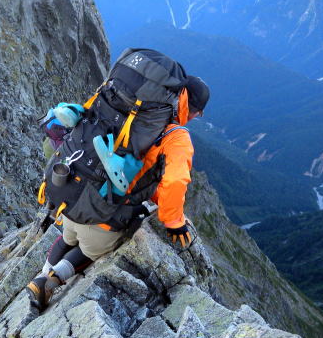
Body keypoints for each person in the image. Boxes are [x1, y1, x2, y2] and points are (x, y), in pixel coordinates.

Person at [26, 74, 210, 311]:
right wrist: (173, 222)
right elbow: (174, 181)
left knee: (67, 238)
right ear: (191, 109)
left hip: (71, 198)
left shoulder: (126, 109)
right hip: (101, 217)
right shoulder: (175, 136)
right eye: (198, 113)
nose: (195, 117)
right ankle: (50, 280)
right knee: (88, 250)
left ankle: (41, 274)